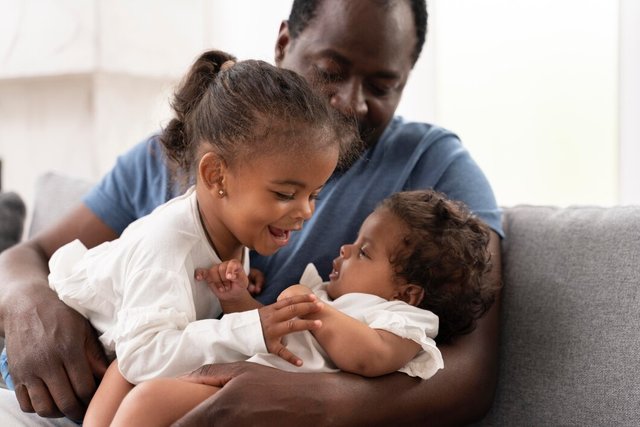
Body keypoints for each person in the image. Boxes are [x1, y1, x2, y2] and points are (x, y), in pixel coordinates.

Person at [0, 0, 504, 425]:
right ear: (283, 42)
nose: (350, 103)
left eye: (382, 86)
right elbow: (32, 254)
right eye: (331, 71)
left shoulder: (434, 168)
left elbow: (473, 372)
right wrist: (26, 300)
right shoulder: (180, 152)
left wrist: (321, 401)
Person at [98, 189, 498, 427]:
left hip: (260, 404)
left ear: (409, 293)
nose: (345, 249)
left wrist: (318, 312)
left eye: (364, 251)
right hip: (236, 369)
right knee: (127, 367)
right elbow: (269, 330)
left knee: (147, 401)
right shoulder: (328, 296)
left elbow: (370, 357)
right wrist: (238, 300)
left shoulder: (405, 321)